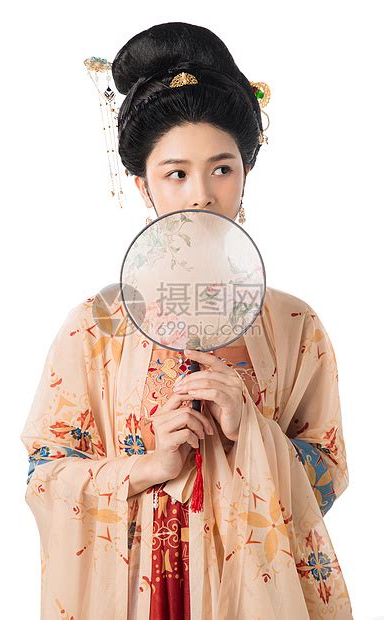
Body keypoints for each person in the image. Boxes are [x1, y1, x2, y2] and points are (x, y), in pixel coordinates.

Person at [20, 22, 353, 619]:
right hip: (138, 587)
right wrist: (146, 467)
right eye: (176, 173)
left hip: (253, 590)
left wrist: (250, 430)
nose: (201, 193)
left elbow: (327, 475)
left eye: (222, 168)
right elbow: (45, 472)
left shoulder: (294, 326)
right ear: (142, 186)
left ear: (245, 173)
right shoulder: (96, 328)